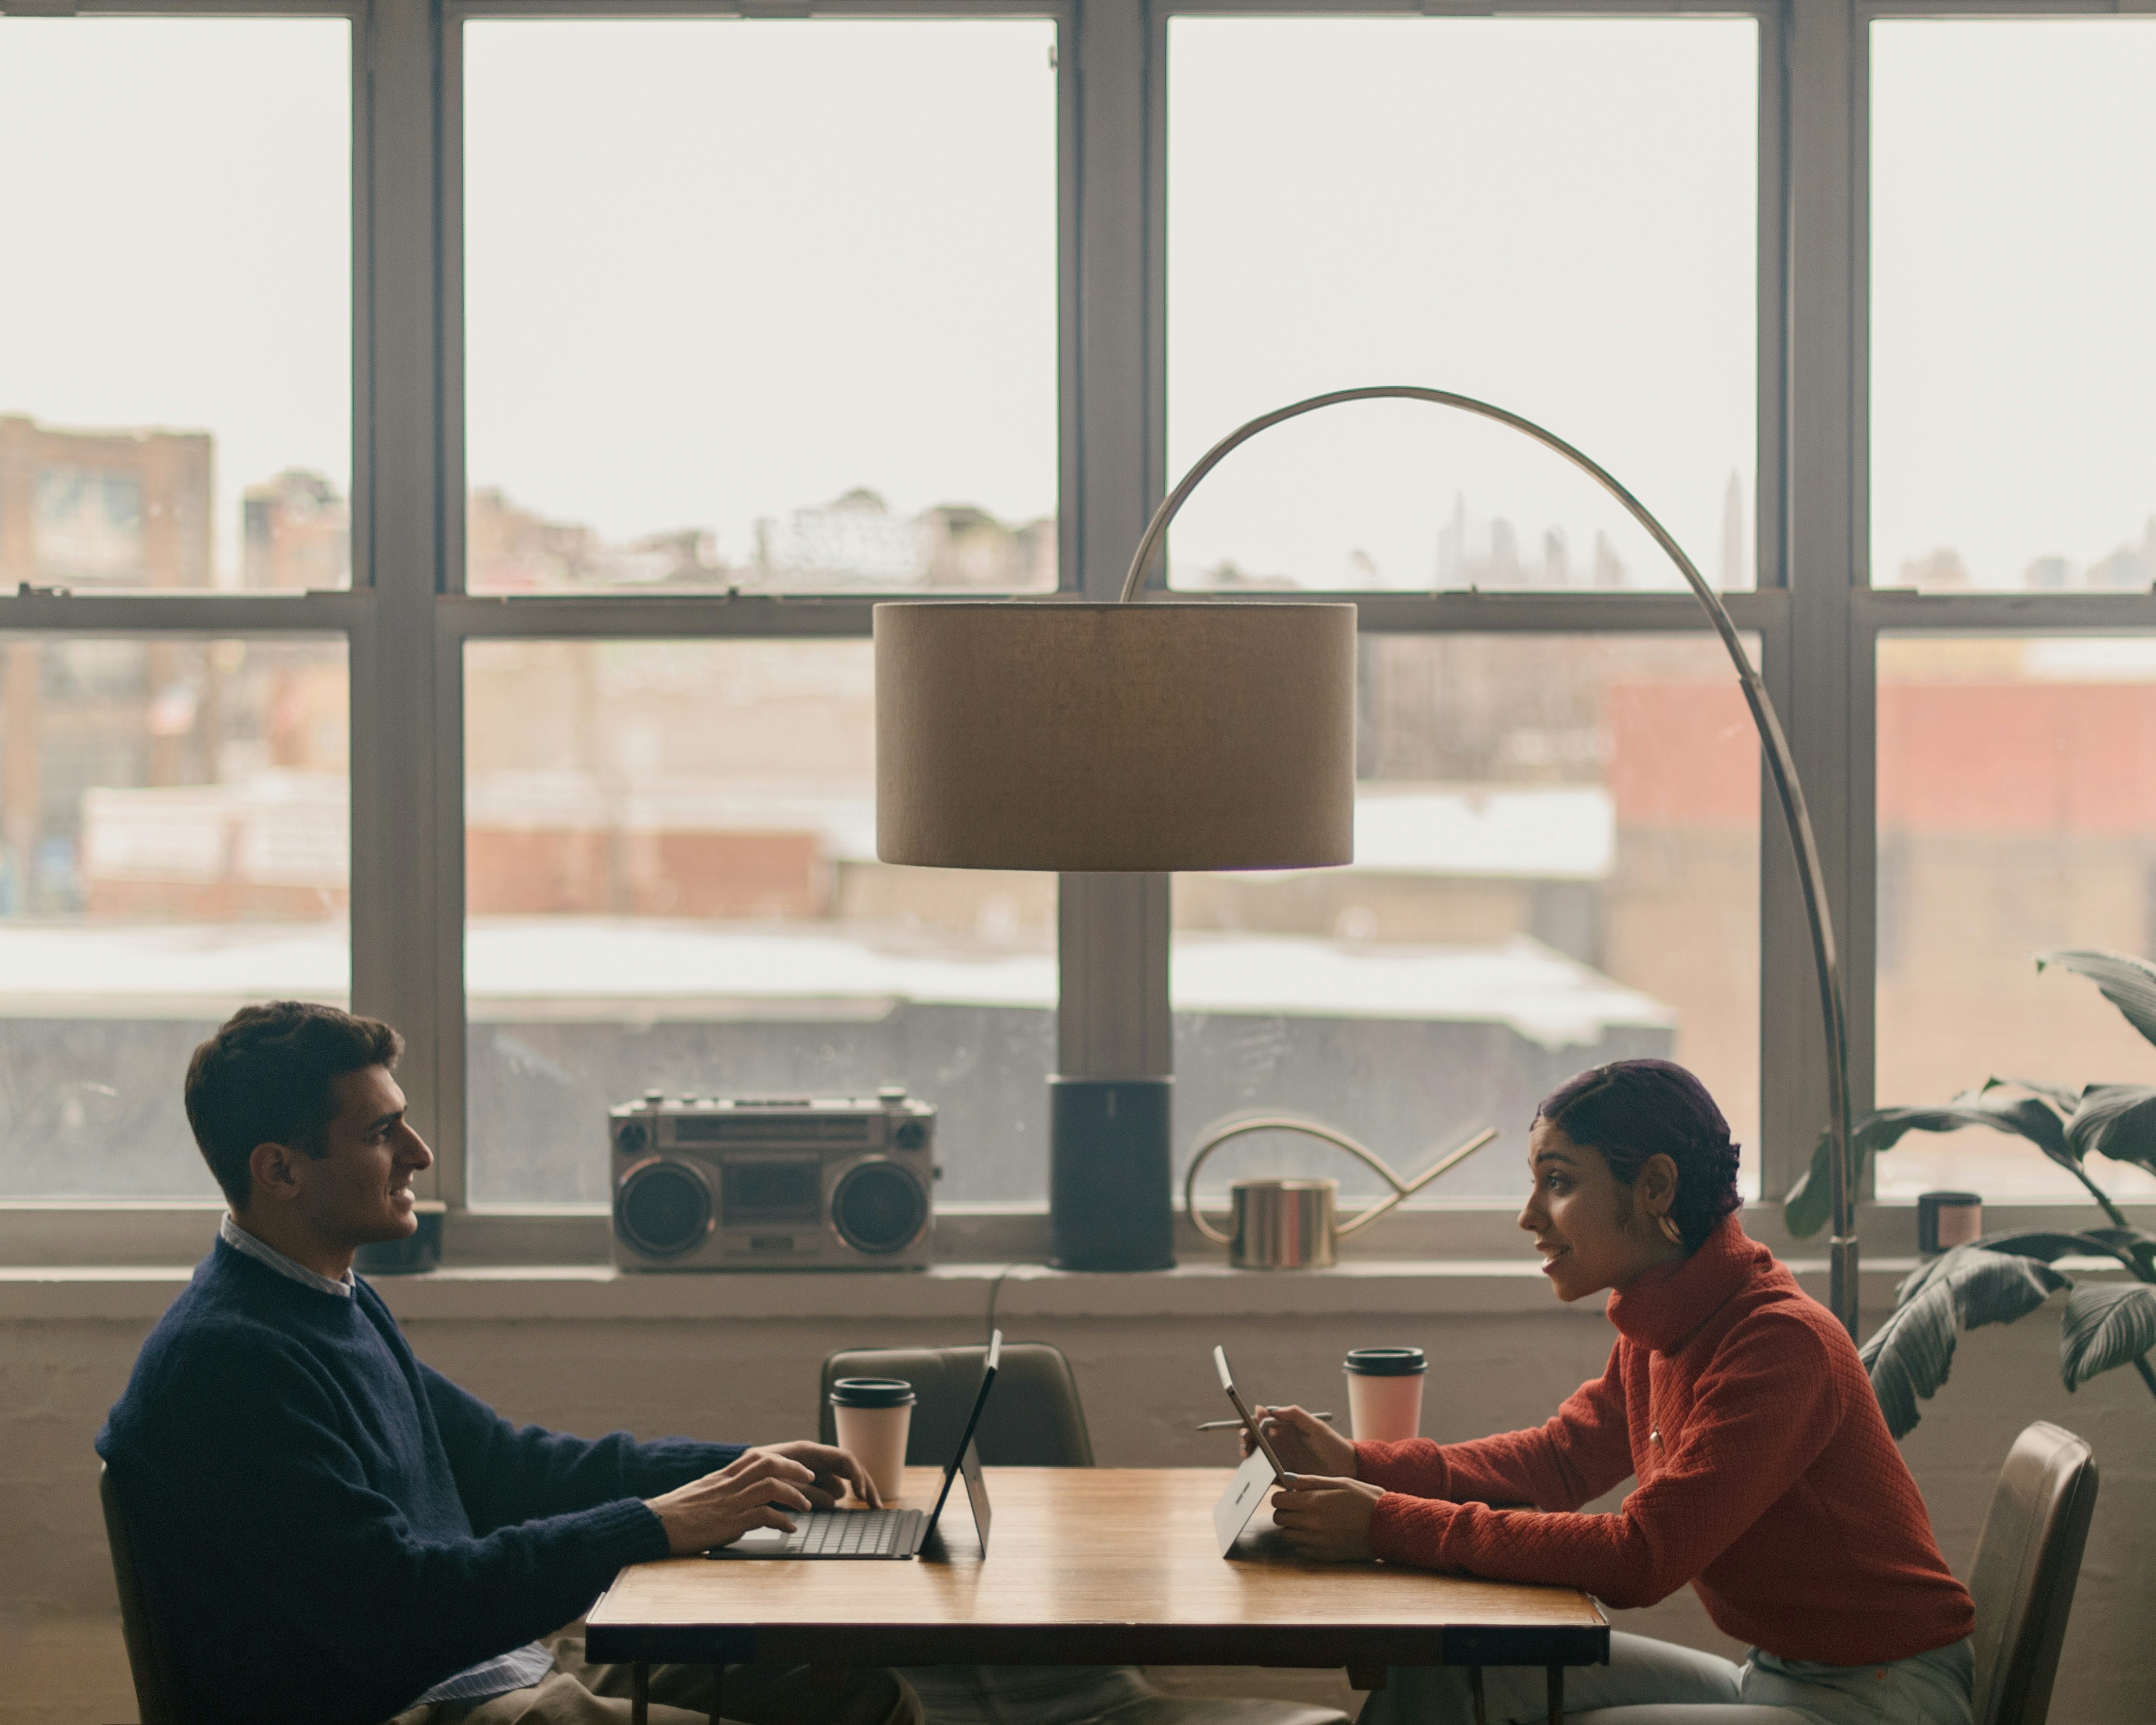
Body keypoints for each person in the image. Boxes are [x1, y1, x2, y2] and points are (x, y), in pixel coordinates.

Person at [98, 1001, 921, 1725]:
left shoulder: (326, 1300)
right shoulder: (228, 1363)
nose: (418, 1154)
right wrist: (658, 1523)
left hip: (483, 1670)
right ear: (279, 1169)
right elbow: (400, 1604)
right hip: (405, 1702)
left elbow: (507, 1463)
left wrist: (742, 1474)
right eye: (382, 1133)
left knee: (859, 1694)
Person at [1248, 1059, 1977, 1725]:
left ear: (1655, 1187)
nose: (1529, 1216)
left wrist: (1385, 1523)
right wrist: (1359, 1464)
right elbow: (1560, 1462)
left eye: (1559, 1182)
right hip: (1774, 1678)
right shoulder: (1663, 1319)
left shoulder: (1779, 1344)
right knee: (1434, 1676)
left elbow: (1641, 1555)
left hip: (1881, 1698)